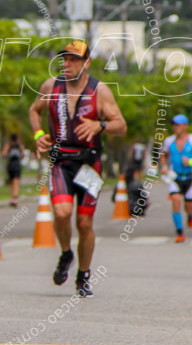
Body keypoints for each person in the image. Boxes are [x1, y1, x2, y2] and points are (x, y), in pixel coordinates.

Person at [29, 39, 126, 298]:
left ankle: (83, 275)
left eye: (73, 59)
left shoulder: (100, 91)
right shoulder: (51, 86)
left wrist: (100, 126)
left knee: (84, 223)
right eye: (65, 59)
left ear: (86, 63)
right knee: (61, 213)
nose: (67, 64)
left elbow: (121, 125)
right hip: (60, 160)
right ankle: (66, 253)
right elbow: (34, 110)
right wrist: (38, 133)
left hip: (89, 163)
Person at [160, 114, 192, 243]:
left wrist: (191, 162)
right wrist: (164, 166)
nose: (176, 127)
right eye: (174, 125)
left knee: (188, 206)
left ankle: (191, 214)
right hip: (175, 176)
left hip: (190, 176)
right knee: (176, 200)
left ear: (185, 126)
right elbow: (163, 155)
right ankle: (180, 232)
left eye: (178, 125)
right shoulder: (169, 141)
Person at [2, 133, 24, 207]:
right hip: (16, 164)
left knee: (12, 181)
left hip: (11, 164)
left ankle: (13, 198)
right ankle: (15, 198)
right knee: (15, 181)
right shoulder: (19, 146)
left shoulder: (9, 146)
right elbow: (22, 155)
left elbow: (4, 154)